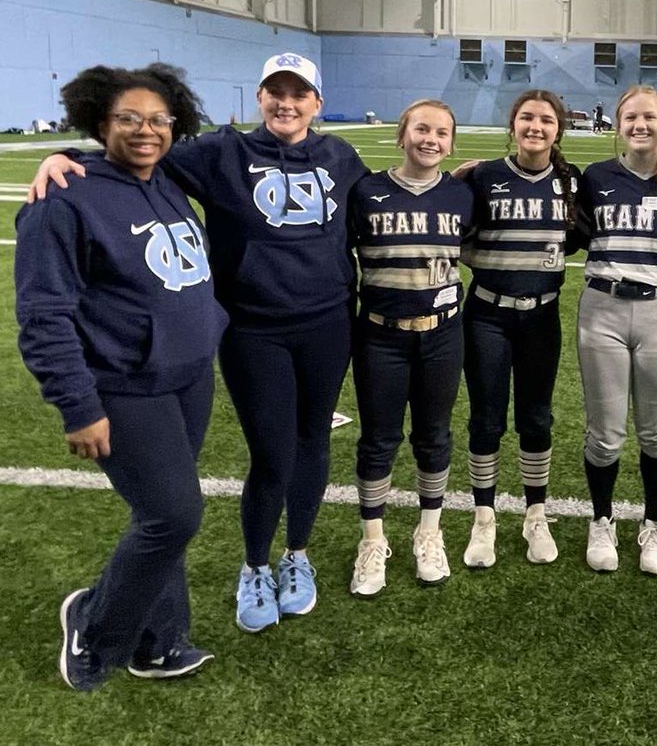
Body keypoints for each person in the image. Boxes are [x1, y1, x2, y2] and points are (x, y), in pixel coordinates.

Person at [30, 52, 370, 634]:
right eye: (275, 92)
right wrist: (67, 156)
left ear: (317, 102)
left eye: (299, 93)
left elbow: (381, 204)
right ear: (260, 98)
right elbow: (142, 157)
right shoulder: (220, 152)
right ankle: (255, 566)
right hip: (252, 328)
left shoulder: (341, 156)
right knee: (272, 453)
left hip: (328, 322)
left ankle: (299, 557)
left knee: (314, 441)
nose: (286, 103)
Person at [17, 64, 226, 690]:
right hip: (124, 385)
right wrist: (78, 406)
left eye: (159, 119)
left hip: (188, 376)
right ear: (99, 121)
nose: (145, 130)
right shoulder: (63, 199)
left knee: (166, 512)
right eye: (128, 118)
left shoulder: (164, 181)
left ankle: (159, 642)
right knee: (173, 515)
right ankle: (95, 621)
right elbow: (42, 314)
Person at [347, 100, 473, 595]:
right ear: (402, 134)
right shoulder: (367, 191)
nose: (431, 139)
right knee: (379, 439)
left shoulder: (462, 195)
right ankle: (372, 540)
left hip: (443, 333)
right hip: (381, 334)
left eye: (442, 132)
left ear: (450, 142)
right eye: (421, 128)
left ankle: (429, 532)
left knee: (434, 436)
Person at [456, 91, 581, 570]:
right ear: (513, 125)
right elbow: (450, 226)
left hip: (541, 317)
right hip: (488, 314)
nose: (536, 126)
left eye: (546, 120)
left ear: (558, 130)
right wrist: (451, 180)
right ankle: (484, 517)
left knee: (537, 418)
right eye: (527, 117)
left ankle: (536, 513)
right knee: (487, 418)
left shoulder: (572, 182)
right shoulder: (483, 176)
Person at [575, 86, 657, 575]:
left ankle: (653, 522)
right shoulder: (596, 177)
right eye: (630, 117)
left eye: (649, 116)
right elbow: (569, 231)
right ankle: (601, 519)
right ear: (618, 124)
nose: (640, 125)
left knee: (656, 432)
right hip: (602, 308)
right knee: (605, 435)